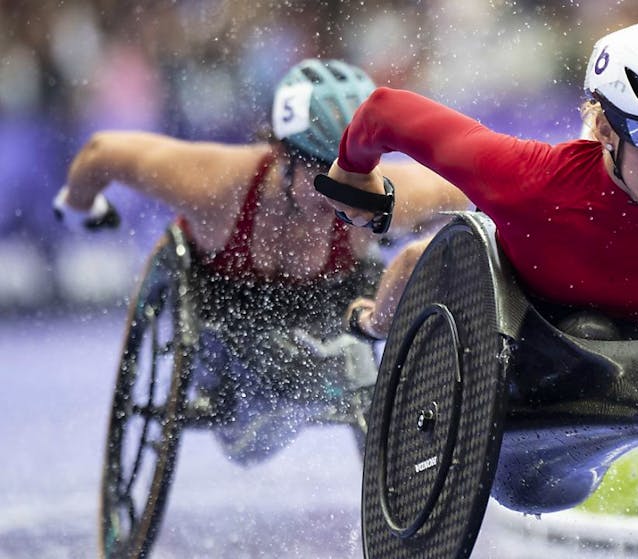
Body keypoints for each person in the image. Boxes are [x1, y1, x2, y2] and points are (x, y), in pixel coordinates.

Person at [54, 58, 465, 464]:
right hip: (225, 323)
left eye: (356, 174)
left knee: (374, 313)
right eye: (326, 176)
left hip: (329, 318)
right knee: (267, 397)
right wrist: (80, 209)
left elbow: (469, 193)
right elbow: (100, 152)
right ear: (283, 156)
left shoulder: (382, 197)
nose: (343, 194)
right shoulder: (217, 185)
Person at [326, 21, 638, 336]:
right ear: (605, 128)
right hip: (534, 316)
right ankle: (371, 327)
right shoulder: (534, 181)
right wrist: (351, 170)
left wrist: (353, 171)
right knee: (417, 260)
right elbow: (385, 111)